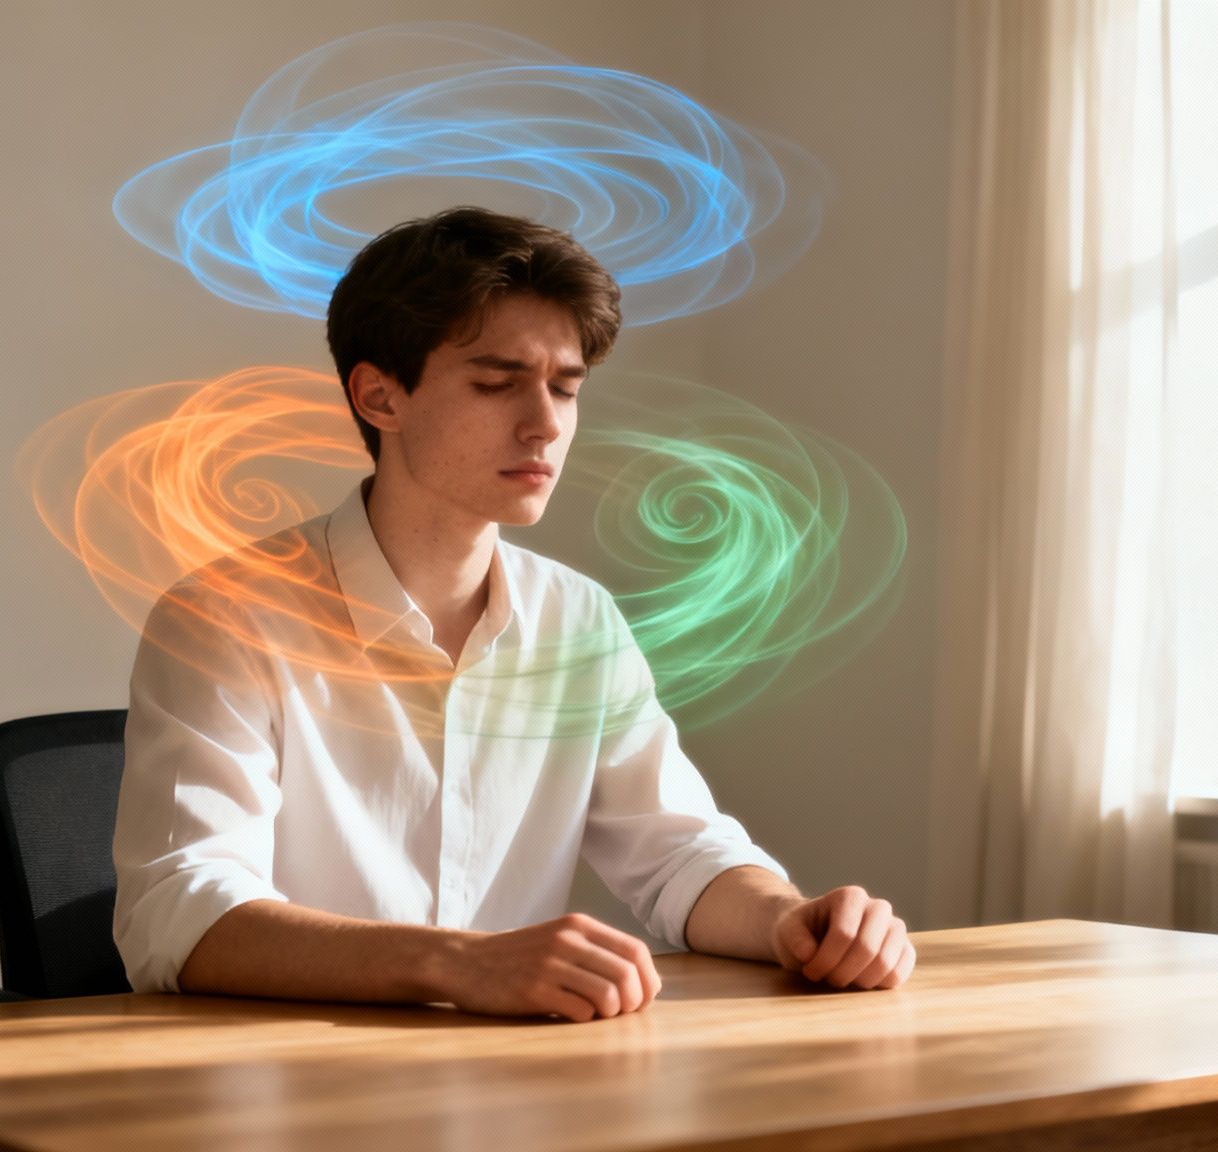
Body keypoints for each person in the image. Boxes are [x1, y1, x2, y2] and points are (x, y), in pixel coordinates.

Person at [112, 206, 914, 1022]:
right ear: (379, 396)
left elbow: (679, 855)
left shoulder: (578, 619)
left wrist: (787, 920)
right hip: (290, 1094)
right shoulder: (226, 618)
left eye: (566, 388)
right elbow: (179, 915)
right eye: (497, 384)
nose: (546, 425)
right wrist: (459, 963)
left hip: (519, 1086)